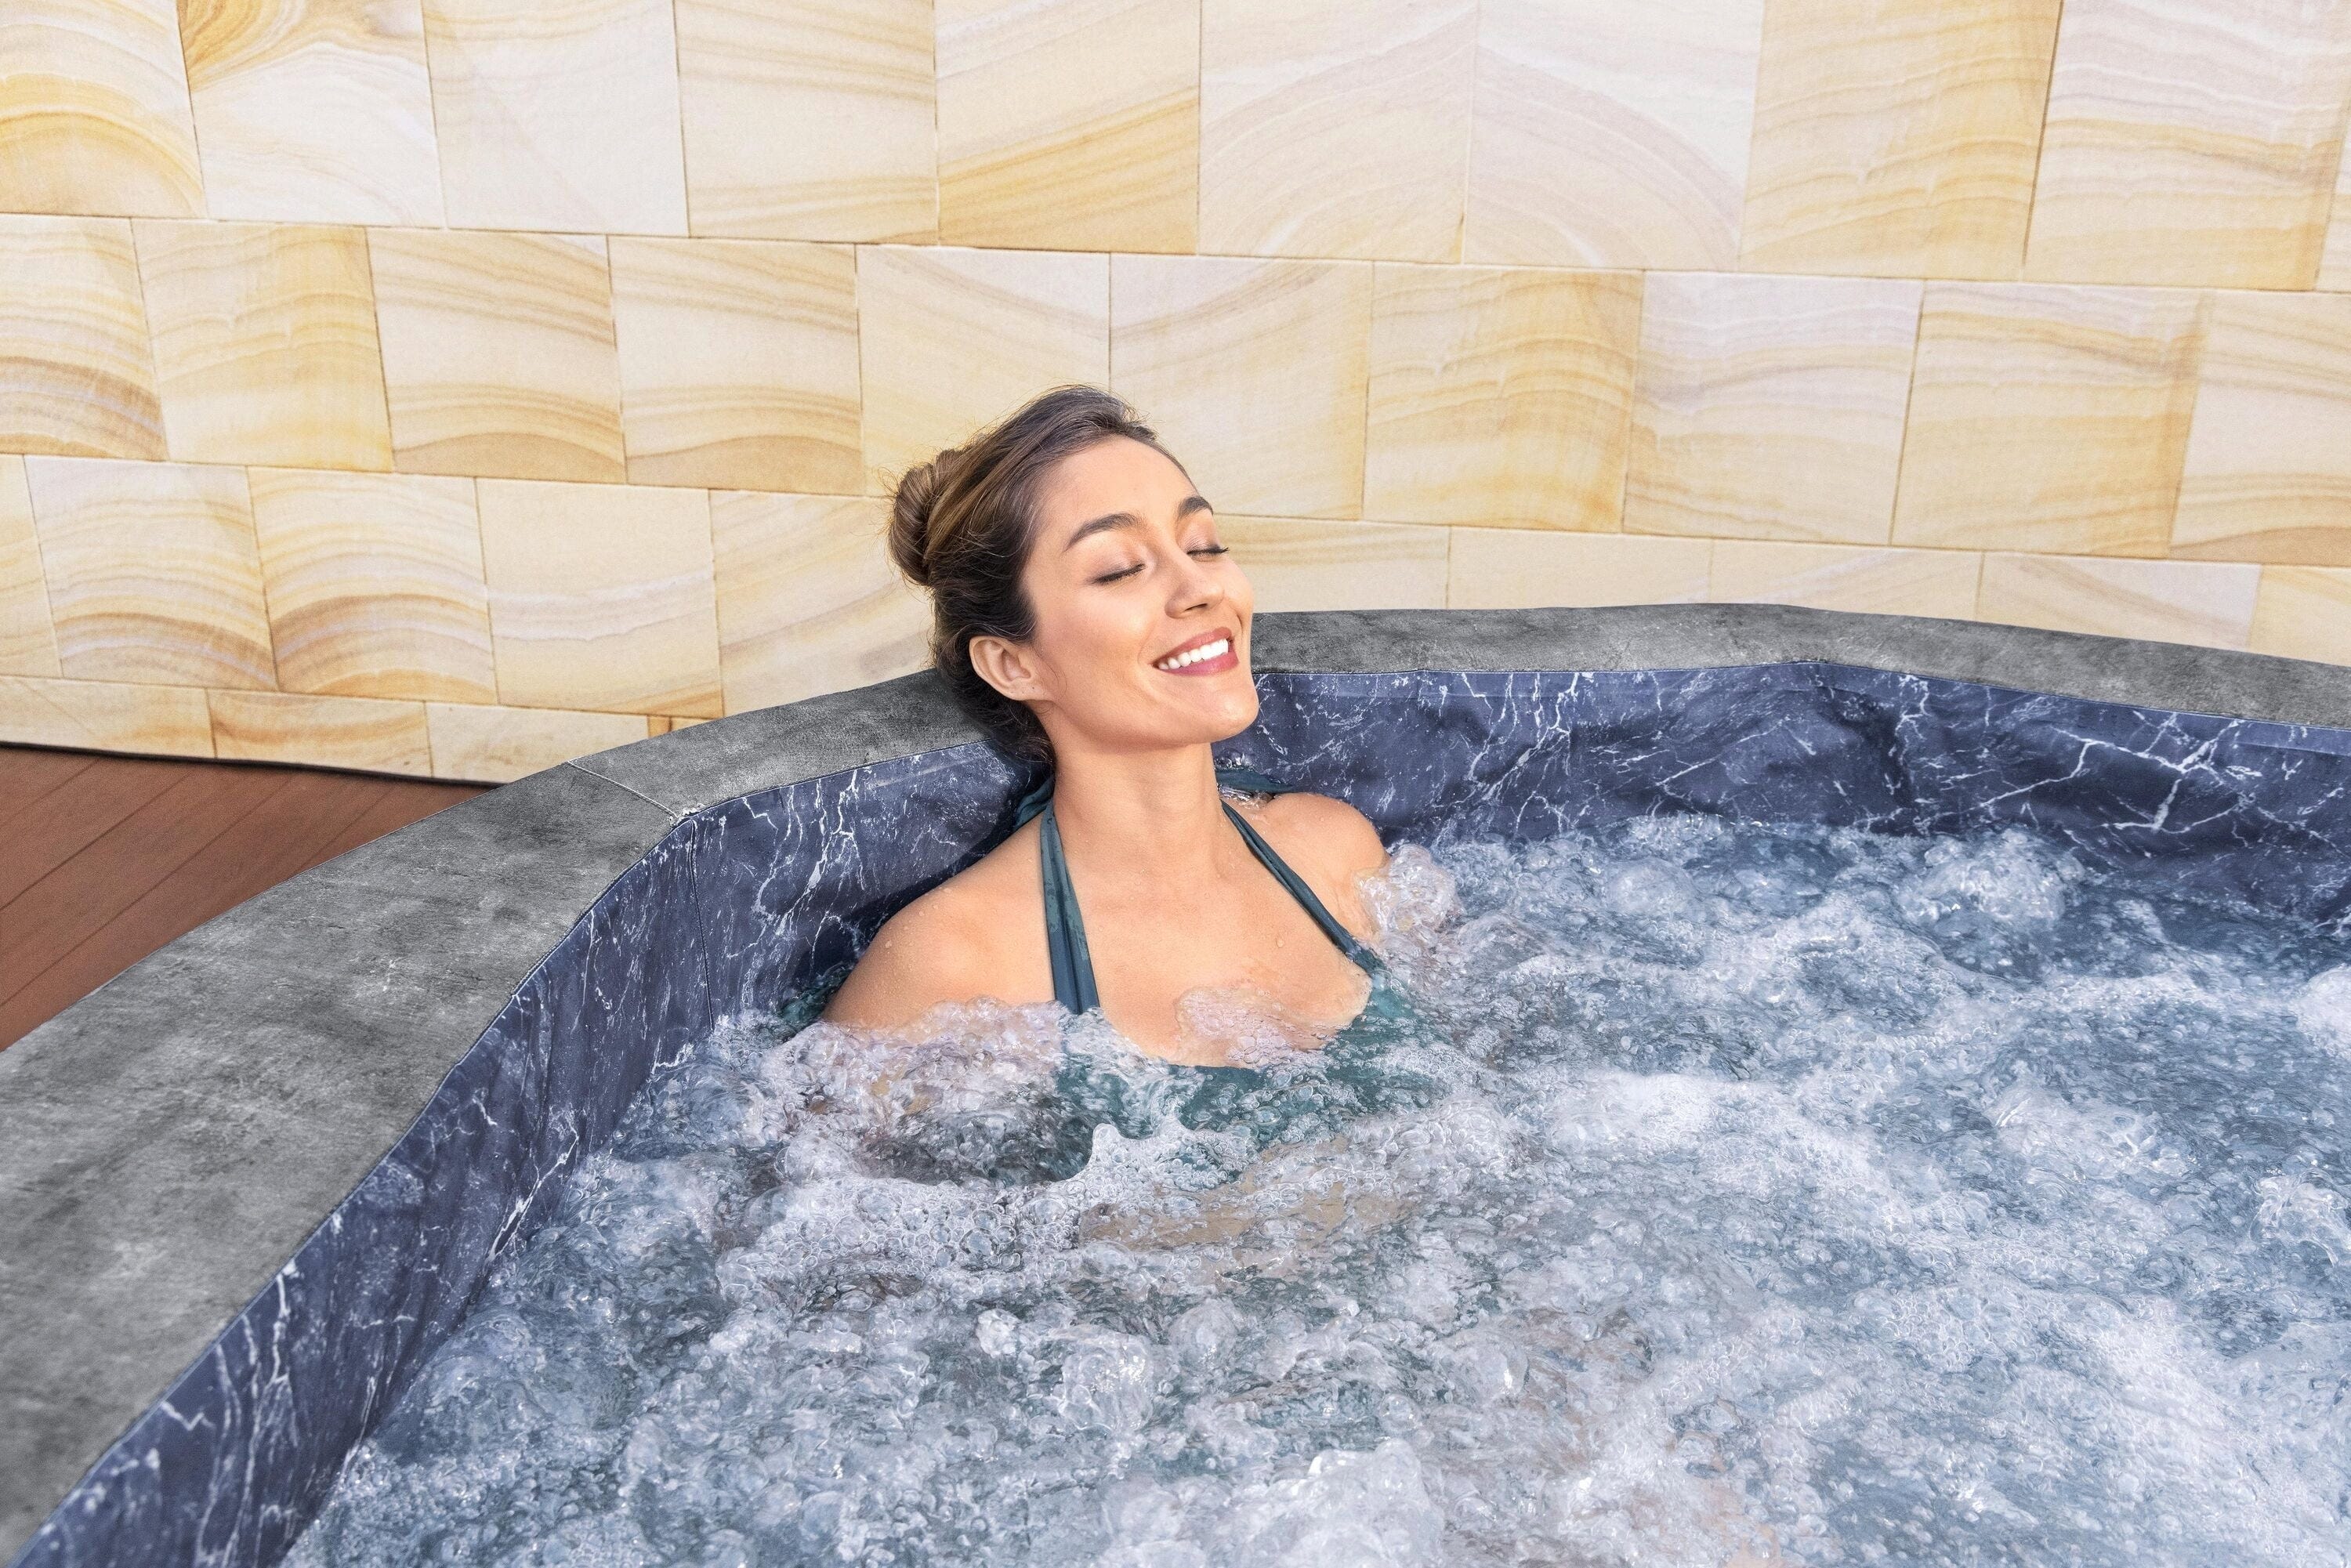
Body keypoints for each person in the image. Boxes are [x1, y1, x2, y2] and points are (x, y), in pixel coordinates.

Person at [820, 386, 1396, 1066]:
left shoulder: (1337, 853)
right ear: (1012, 664)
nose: (1203, 587)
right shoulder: (953, 965)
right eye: (1120, 569)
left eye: (1204, 545)